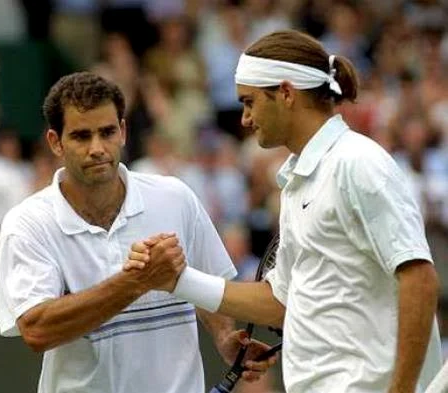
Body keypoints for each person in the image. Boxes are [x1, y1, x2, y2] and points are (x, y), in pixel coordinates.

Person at [125, 30, 443, 393]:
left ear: (287, 94)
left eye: (250, 102)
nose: (244, 118)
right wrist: (178, 280)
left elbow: (419, 278)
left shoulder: (358, 163)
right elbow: (280, 301)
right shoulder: (300, 180)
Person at [0, 72, 276, 393]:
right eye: (81, 136)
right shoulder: (28, 223)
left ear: (123, 132)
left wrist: (225, 337)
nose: (97, 148)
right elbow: (37, 330)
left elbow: (209, 285)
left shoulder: (176, 197)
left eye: (107, 132)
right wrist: (136, 281)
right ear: (55, 142)